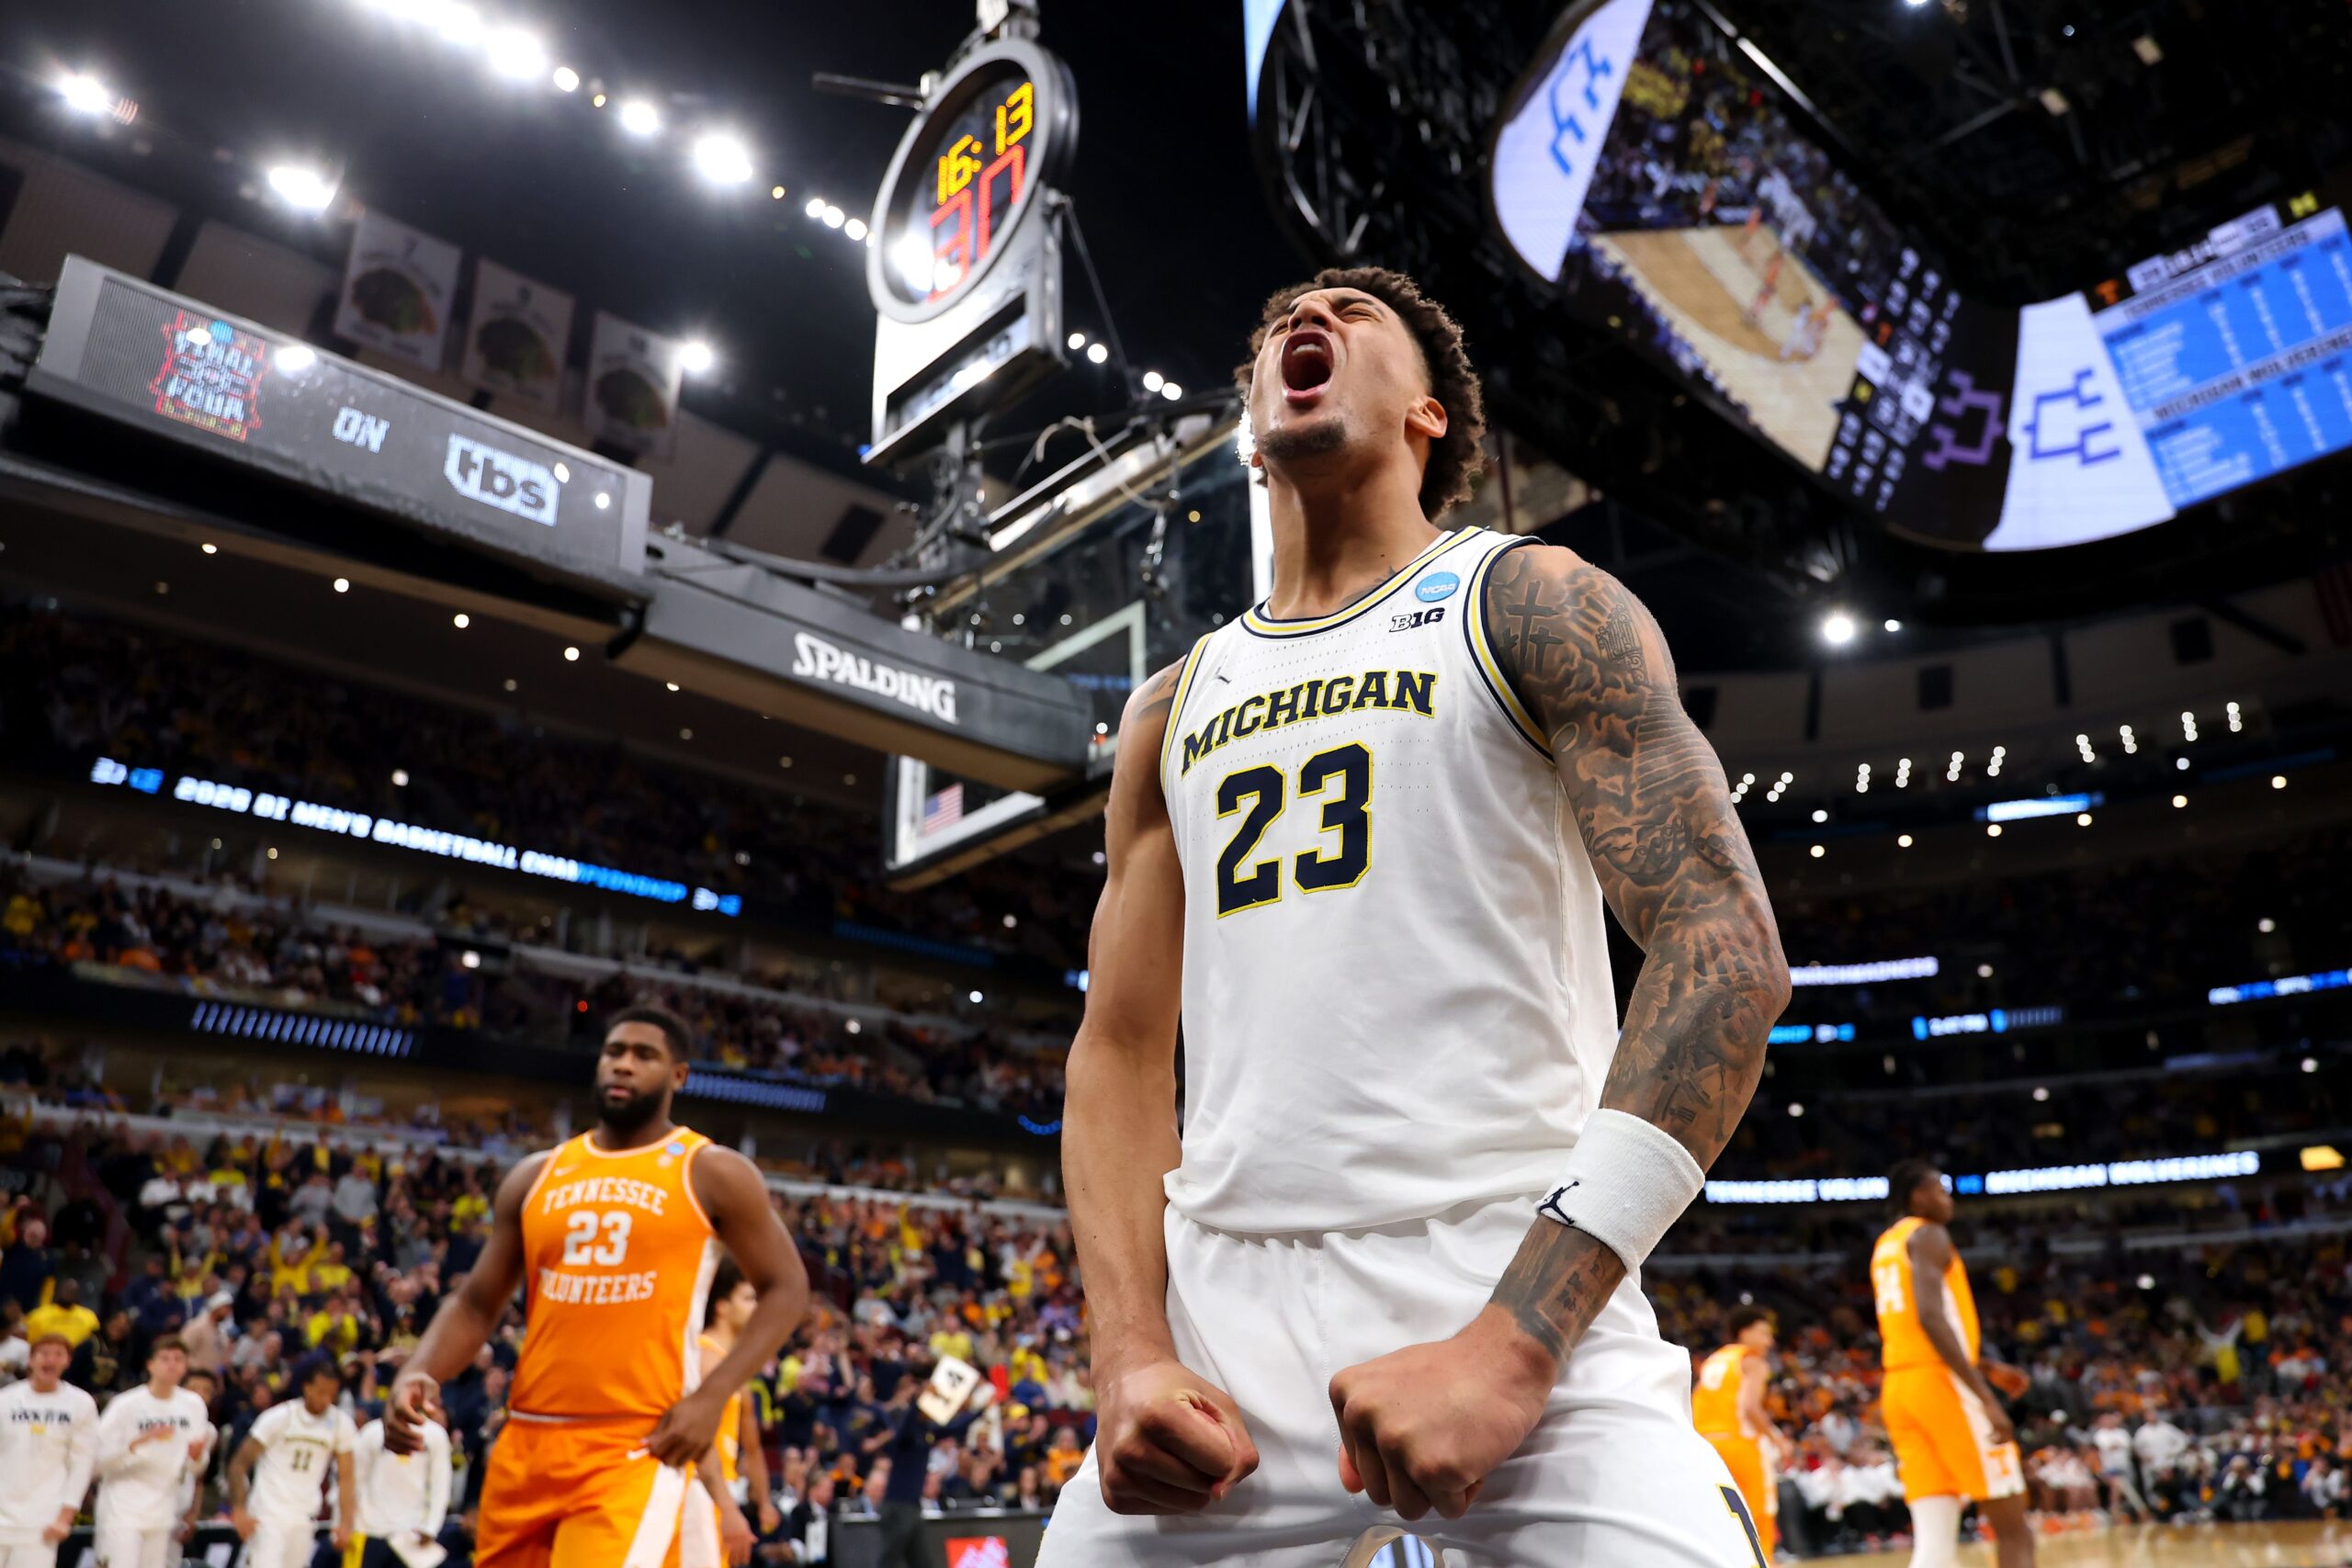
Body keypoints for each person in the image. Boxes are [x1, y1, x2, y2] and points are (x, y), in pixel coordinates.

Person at [1045, 267, 1788, 1567]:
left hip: (1513, 1274)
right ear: (1251, 404)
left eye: (1350, 311)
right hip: (1224, 1318)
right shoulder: (1176, 701)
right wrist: (1128, 1353)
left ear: (1429, 414)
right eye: (1278, 318)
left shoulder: (1534, 602)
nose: (1302, 323)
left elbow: (1726, 949)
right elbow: (1115, 1048)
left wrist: (1513, 1344)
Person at [384, 1006, 810, 1568]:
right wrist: (421, 1369)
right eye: (614, 1052)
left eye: (644, 1055)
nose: (624, 1065)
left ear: (678, 1076)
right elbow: (476, 1301)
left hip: (632, 1443)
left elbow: (788, 1287)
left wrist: (711, 1399)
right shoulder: (537, 1174)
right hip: (527, 1439)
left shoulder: (710, 1170)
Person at [1870, 1161, 2034, 1568]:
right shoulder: (1930, 1234)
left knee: (1935, 1541)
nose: (1949, 1200)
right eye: (1940, 1190)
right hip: (1940, 1384)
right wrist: (1986, 1397)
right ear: (1917, 1197)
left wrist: (1986, 1364)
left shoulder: (1887, 1244)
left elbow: (1914, 1322)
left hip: (1900, 1387)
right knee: (2014, 1525)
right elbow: (1929, 1317)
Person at [684, 1258, 782, 1567]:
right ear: (722, 1307)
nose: (756, 1307)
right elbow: (699, 1441)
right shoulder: (704, 1359)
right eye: (748, 1298)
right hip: (696, 1491)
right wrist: (726, 1506)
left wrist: (764, 1500)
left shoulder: (735, 1368)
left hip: (721, 1490)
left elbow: (752, 1447)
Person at [92, 1334, 213, 1568]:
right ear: (150, 1365)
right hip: (123, 1509)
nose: (172, 1364)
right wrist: (135, 1444)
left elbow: (196, 1467)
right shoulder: (126, 1405)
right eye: (165, 1358)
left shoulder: (193, 1405)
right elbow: (95, 1463)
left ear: (185, 1366)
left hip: (164, 1509)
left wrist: (197, 1456)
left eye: (178, 1359)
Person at [225, 1354, 357, 1568]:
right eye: (322, 1392)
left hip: (304, 1515)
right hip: (267, 1514)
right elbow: (239, 1463)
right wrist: (239, 1509)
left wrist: (345, 1522)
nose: (327, 1399)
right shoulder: (278, 1417)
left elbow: (346, 1476)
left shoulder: (341, 1423)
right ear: (306, 1388)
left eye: (332, 1394)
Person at [1692, 1306, 1793, 1561]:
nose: (1769, 1342)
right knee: (1758, 1515)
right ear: (1745, 1332)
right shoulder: (1752, 1360)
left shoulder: (1714, 1360)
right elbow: (1750, 1408)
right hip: (1740, 1444)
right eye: (1764, 1334)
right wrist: (1778, 1439)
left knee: (1718, 1518)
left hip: (1707, 1448)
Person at [0, 1333, 97, 1567]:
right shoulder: (6, 1399)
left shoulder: (81, 1403)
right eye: (44, 1354)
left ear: (67, 1362)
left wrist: (66, 1516)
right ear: (31, 1360)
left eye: (58, 1355)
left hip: (42, 1519)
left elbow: (82, 1463)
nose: (50, 1360)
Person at [350, 1401, 453, 1567]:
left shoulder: (435, 1435)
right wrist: (351, 1520)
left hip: (412, 1534)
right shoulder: (372, 1432)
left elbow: (441, 1485)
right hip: (370, 1530)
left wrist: (431, 1527)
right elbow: (354, 1479)